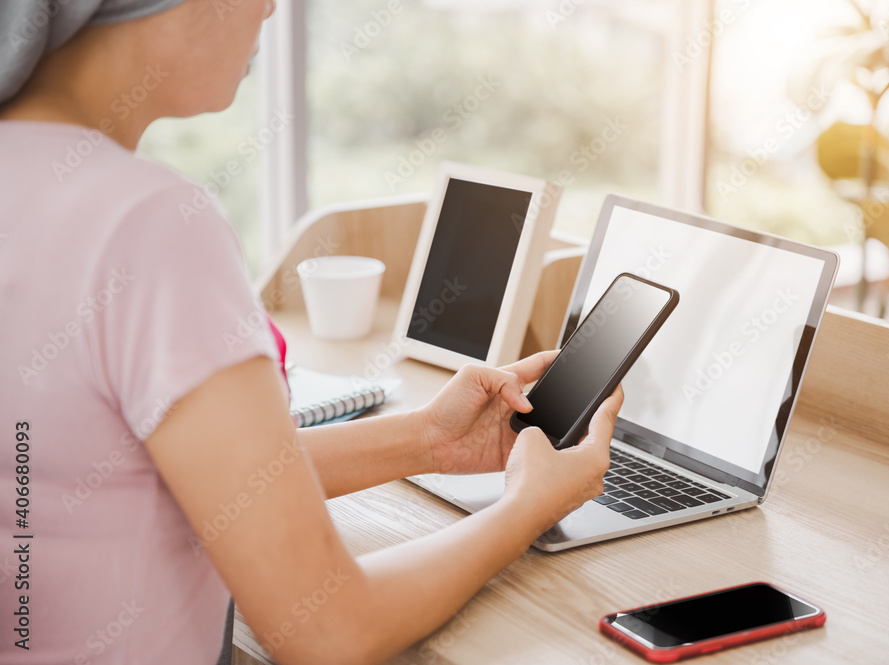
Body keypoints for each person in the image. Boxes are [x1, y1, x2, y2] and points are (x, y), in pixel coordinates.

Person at [0, 1, 623, 663]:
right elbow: (327, 630)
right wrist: (526, 507)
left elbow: (103, 478)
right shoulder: (147, 224)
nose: (270, 7)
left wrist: (425, 439)